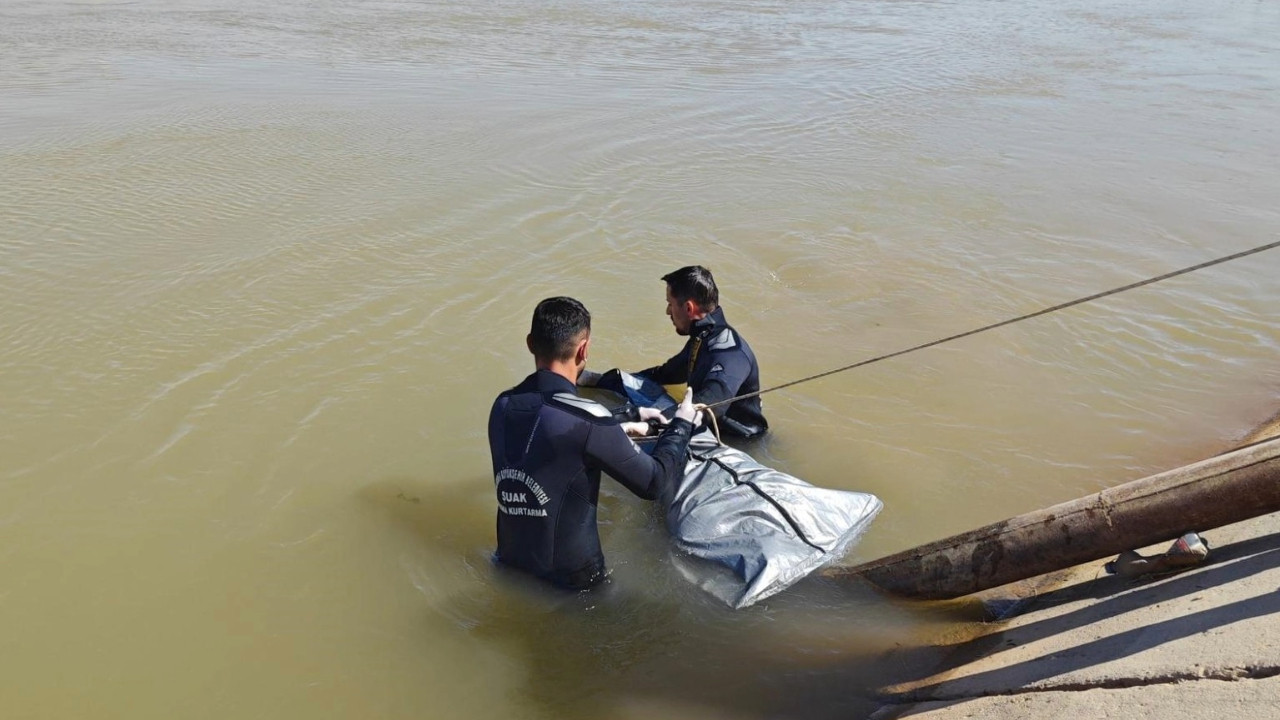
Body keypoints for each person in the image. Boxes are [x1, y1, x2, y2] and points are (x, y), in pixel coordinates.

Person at [488, 296, 698, 591]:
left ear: (530, 343)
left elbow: (551, 435)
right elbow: (655, 483)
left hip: (508, 569)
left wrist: (626, 420)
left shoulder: (502, 405)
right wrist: (682, 424)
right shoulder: (591, 421)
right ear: (584, 349)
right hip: (577, 587)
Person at [630, 266, 768, 439]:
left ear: (689, 308)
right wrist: (602, 379)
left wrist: (649, 426)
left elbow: (709, 402)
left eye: (670, 304)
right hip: (711, 431)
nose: (667, 312)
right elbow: (666, 374)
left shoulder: (730, 354)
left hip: (742, 443)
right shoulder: (703, 338)